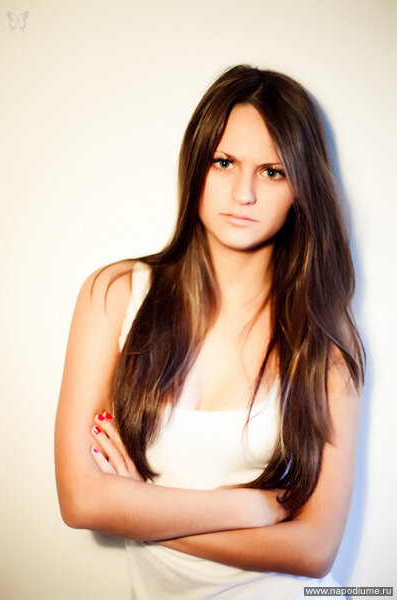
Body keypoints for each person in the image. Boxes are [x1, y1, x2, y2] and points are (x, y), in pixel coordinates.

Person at [55, 64, 365, 599]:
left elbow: (314, 551)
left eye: (273, 172)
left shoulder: (322, 337)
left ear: (301, 189)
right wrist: (248, 507)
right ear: (196, 163)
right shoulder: (116, 295)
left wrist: (137, 510)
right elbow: (82, 502)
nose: (244, 193)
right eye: (224, 163)